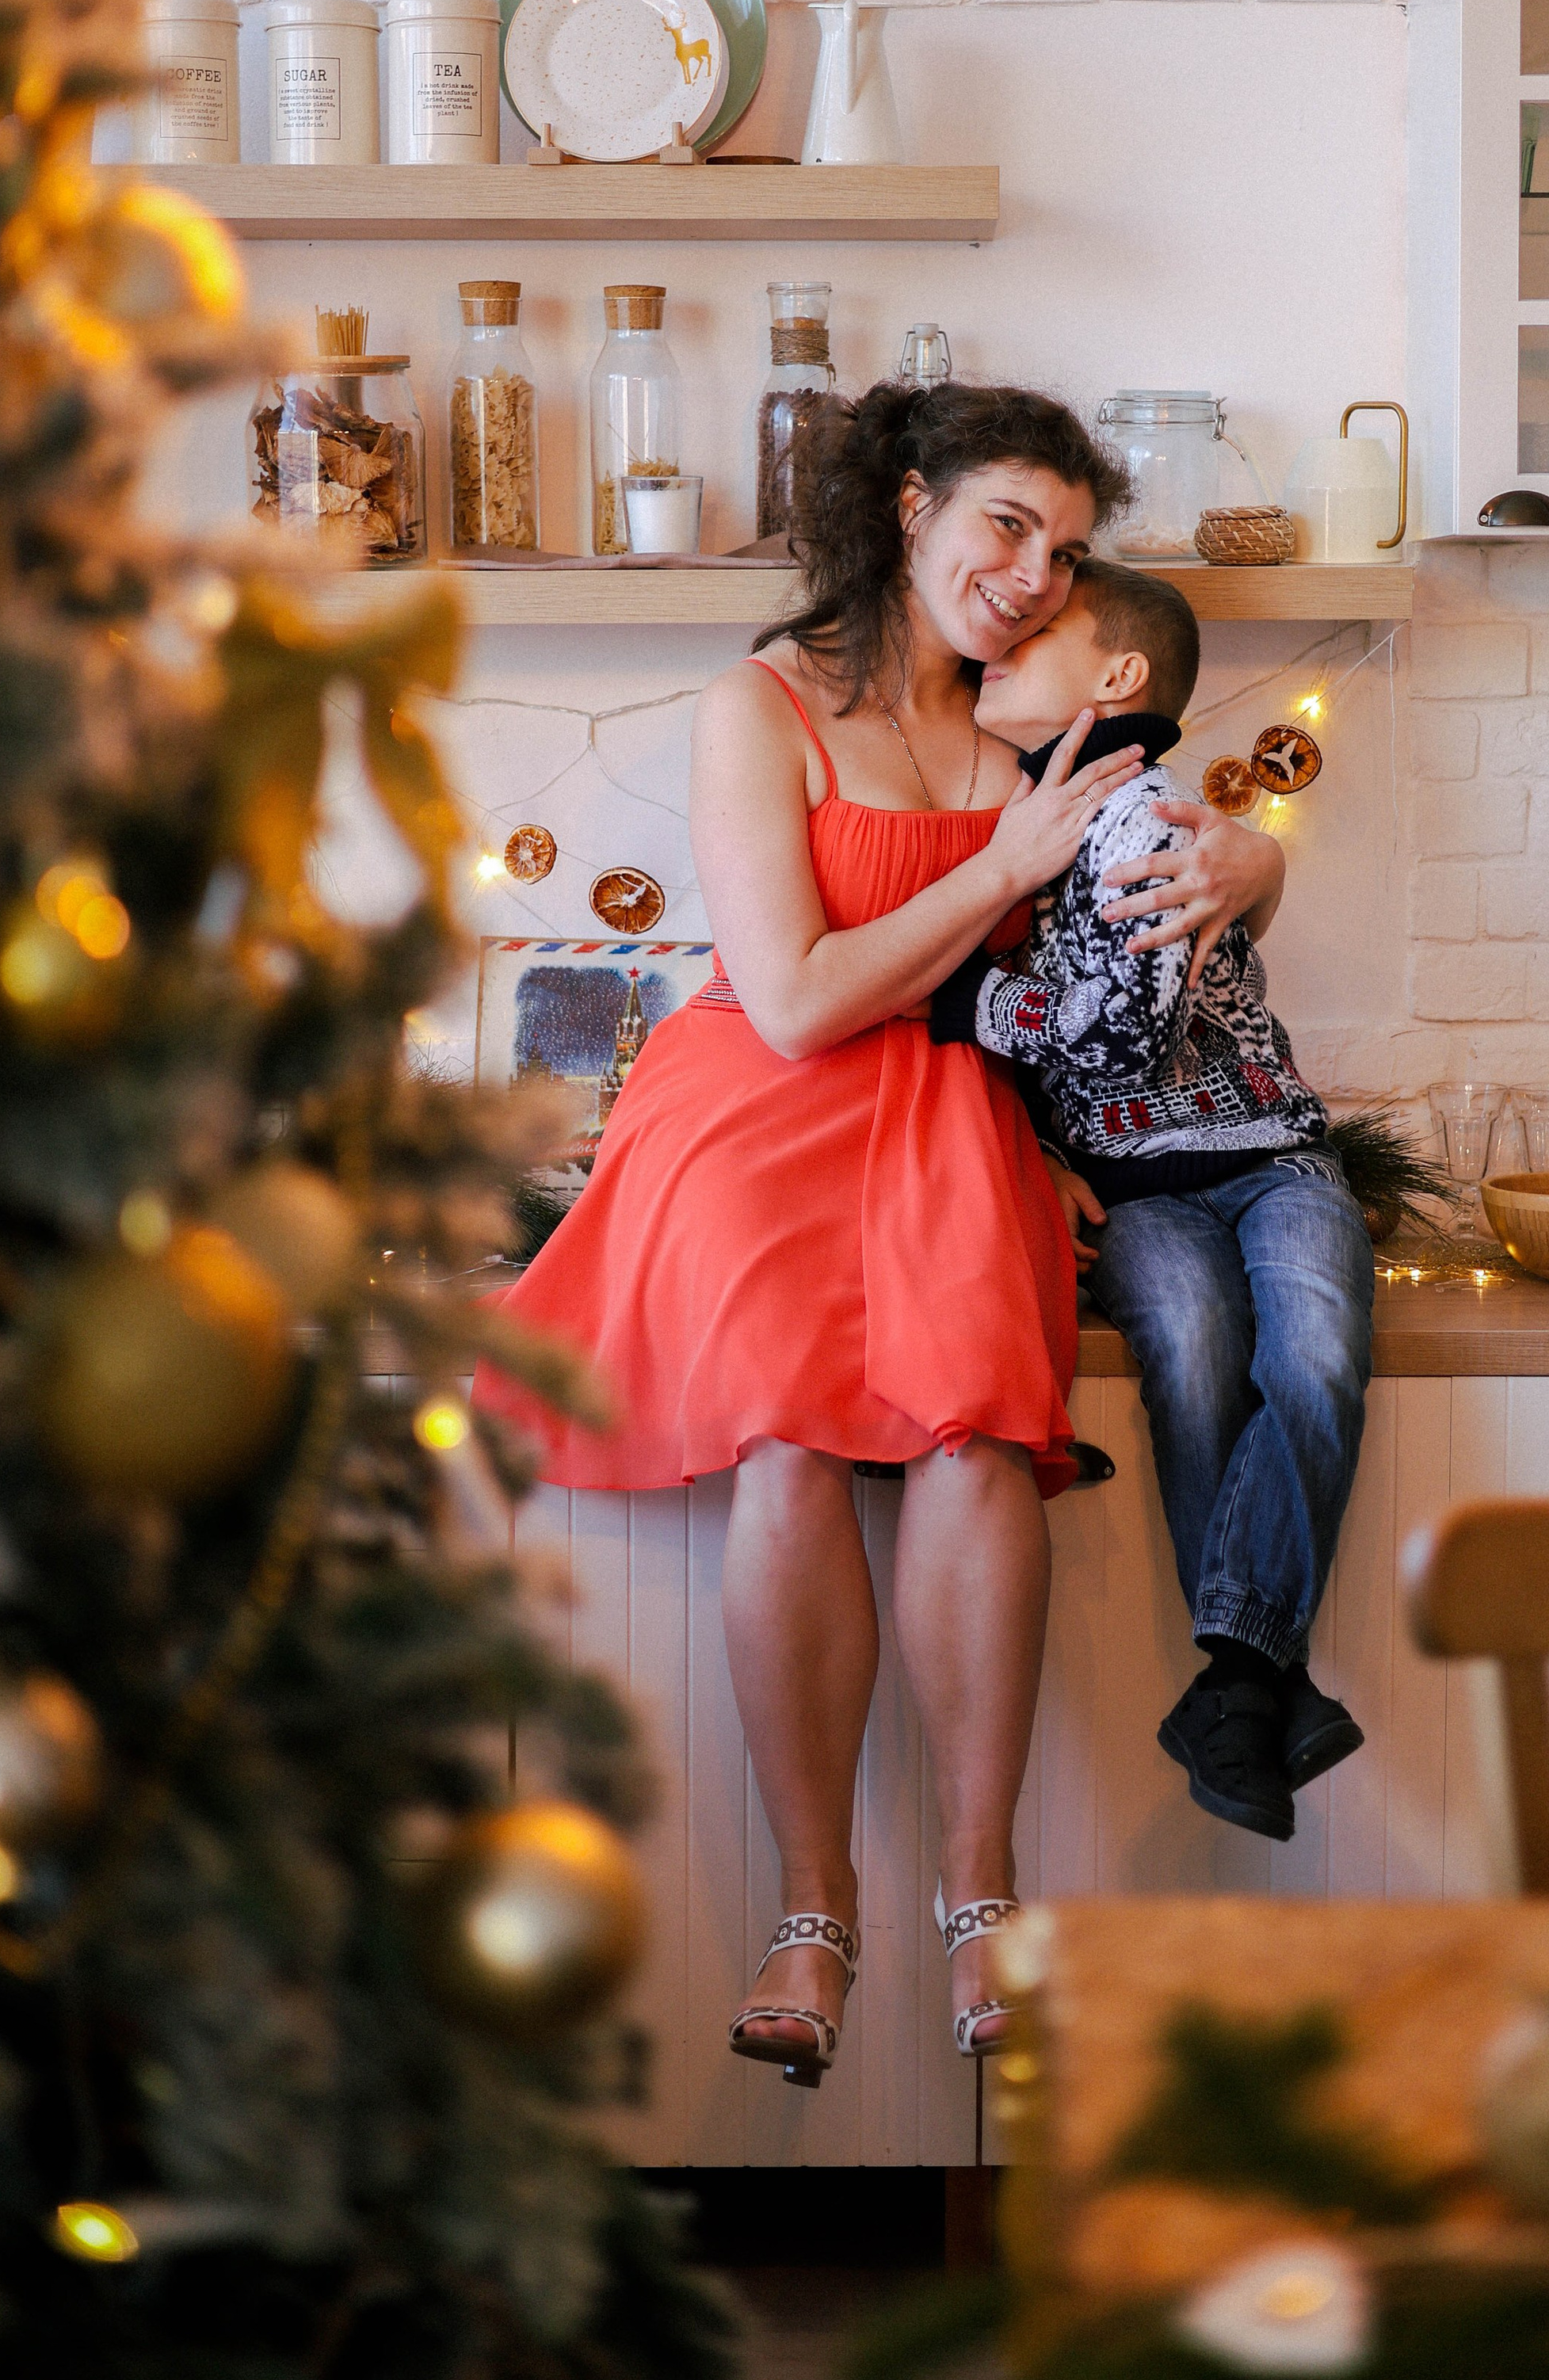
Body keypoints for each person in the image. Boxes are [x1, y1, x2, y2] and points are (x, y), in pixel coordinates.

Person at [481, 389, 1288, 2083]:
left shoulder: (1038, 731)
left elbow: (1166, 885)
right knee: (782, 1442)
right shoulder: (756, 705)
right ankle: (809, 1904)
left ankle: (977, 1887)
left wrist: (1254, 866)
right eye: (1003, 521)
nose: (1028, 571)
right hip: (759, 1112)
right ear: (909, 501)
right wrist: (996, 871)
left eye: (1061, 550)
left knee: (980, 1441)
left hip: (939, 1109)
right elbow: (786, 999)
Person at [929, 558, 1372, 1847]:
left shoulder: (1147, 819)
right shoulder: (1032, 818)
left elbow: (1116, 1043)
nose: (1001, 640)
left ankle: (1236, 1675)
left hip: (1268, 1155)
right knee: (1187, 1350)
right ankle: (1260, 1684)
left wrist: (967, 1009)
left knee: (1320, 1347)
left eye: (1039, 631)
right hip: (1133, 1188)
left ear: (1119, 679)